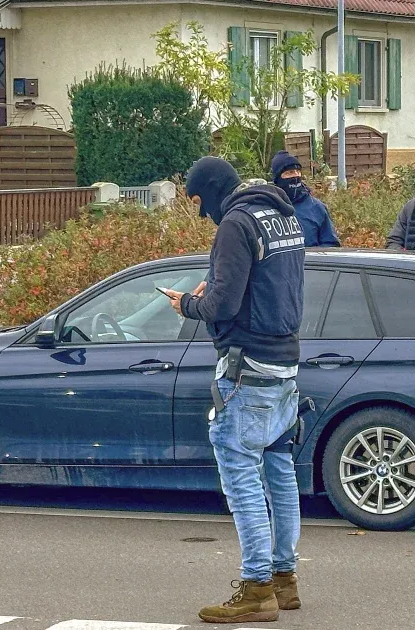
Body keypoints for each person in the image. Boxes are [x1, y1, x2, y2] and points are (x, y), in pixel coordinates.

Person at [162, 156, 304, 625]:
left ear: (212, 191)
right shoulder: (282, 215)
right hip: (285, 363)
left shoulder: (235, 224)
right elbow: (265, 286)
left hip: (248, 366)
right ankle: (284, 579)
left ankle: (257, 587)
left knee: (241, 475)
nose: (204, 215)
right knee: (279, 468)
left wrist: (188, 304)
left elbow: (223, 303)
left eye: (201, 203)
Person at [270, 150, 339, 247]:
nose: (295, 175)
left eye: (298, 171)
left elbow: (331, 245)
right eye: (289, 173)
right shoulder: (268, 207)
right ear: (278, 178)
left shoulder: (317, 208)